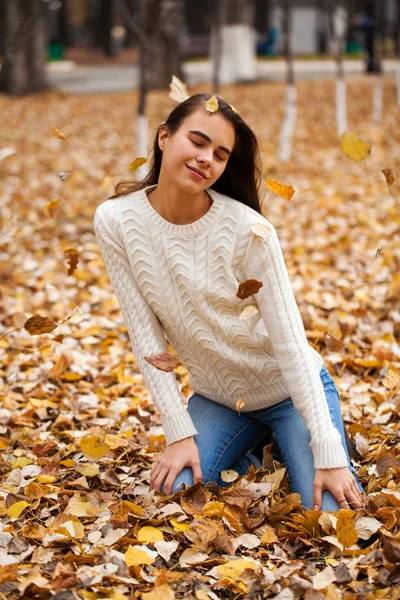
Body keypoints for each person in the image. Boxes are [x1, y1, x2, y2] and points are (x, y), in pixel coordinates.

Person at [93, 93, 365, 511]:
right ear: (164, 137)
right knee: (176, 493)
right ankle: (258, 452)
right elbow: (146, 337)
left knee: (328, 513)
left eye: (220, 154)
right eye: (197, 142)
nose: (207, 159)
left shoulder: (250, 231)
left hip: (287, 391)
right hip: (220, 399)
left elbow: (292, 347)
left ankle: (301, 438)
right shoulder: (115, 220)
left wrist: (327, 450)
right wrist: (179, 432)